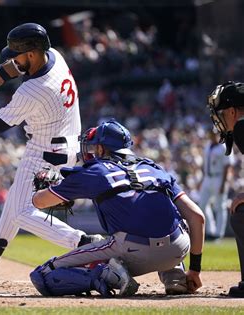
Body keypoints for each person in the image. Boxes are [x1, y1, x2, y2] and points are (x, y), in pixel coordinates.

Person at [0, 22, 101, 284]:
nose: (12, 59)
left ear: (32, 53)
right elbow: (2, 73)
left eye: (17, 54)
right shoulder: (53, 56)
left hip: (46, 152)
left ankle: (85, 243)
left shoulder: (34, 89)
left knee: (21, 212)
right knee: (14, 203)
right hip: (58, 145)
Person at [30, 119, 205, 296]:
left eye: (93, 147)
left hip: (132, 250)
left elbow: (40, 202)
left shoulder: (96, 170)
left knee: (43, 274)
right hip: (177, 248)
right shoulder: (154, 168)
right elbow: (197, 217)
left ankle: (110, 276)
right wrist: (195, 269)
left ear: (100, 148)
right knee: (167, 219)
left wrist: (44, 188)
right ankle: (176, 278)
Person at [207, 81, 244, 297]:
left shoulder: (241, 126)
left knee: (240, 215)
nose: (219, 121)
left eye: (221, 114)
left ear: (231, 111)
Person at [198, 130, 233, 240]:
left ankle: (218, 234)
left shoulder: (223, 146)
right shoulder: (208, 145)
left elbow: (227, 166)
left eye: (214, 133)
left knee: (220, 206)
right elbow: (205, 164)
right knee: (202, 205)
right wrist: (202, 179)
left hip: (219, 177)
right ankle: (210, 230)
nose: (212, 135)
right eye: (210, 133)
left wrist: (224, 183)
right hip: (208, 177)